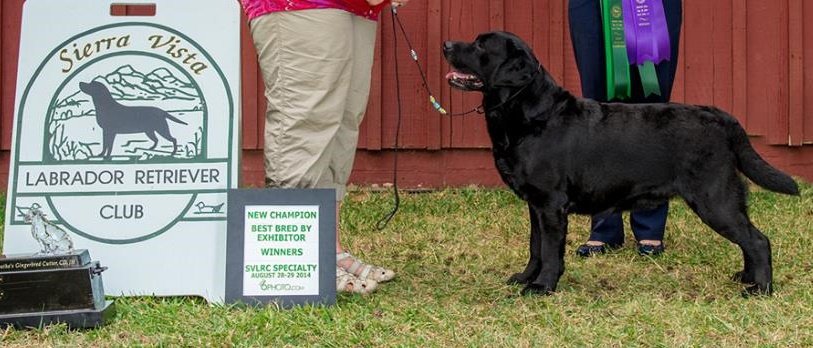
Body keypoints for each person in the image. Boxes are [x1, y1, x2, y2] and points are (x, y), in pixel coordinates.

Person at [240, 0, 410, 294]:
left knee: (342, 122)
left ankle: (328, 247)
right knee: (306, 119)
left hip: (356, 8)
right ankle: (294, 259)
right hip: (298, 6)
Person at [568, 0, 682, 257]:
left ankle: (650, 226)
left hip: (652, 6)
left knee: (652, 110)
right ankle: (603, 226)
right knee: (598, 113)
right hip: (592, 6)